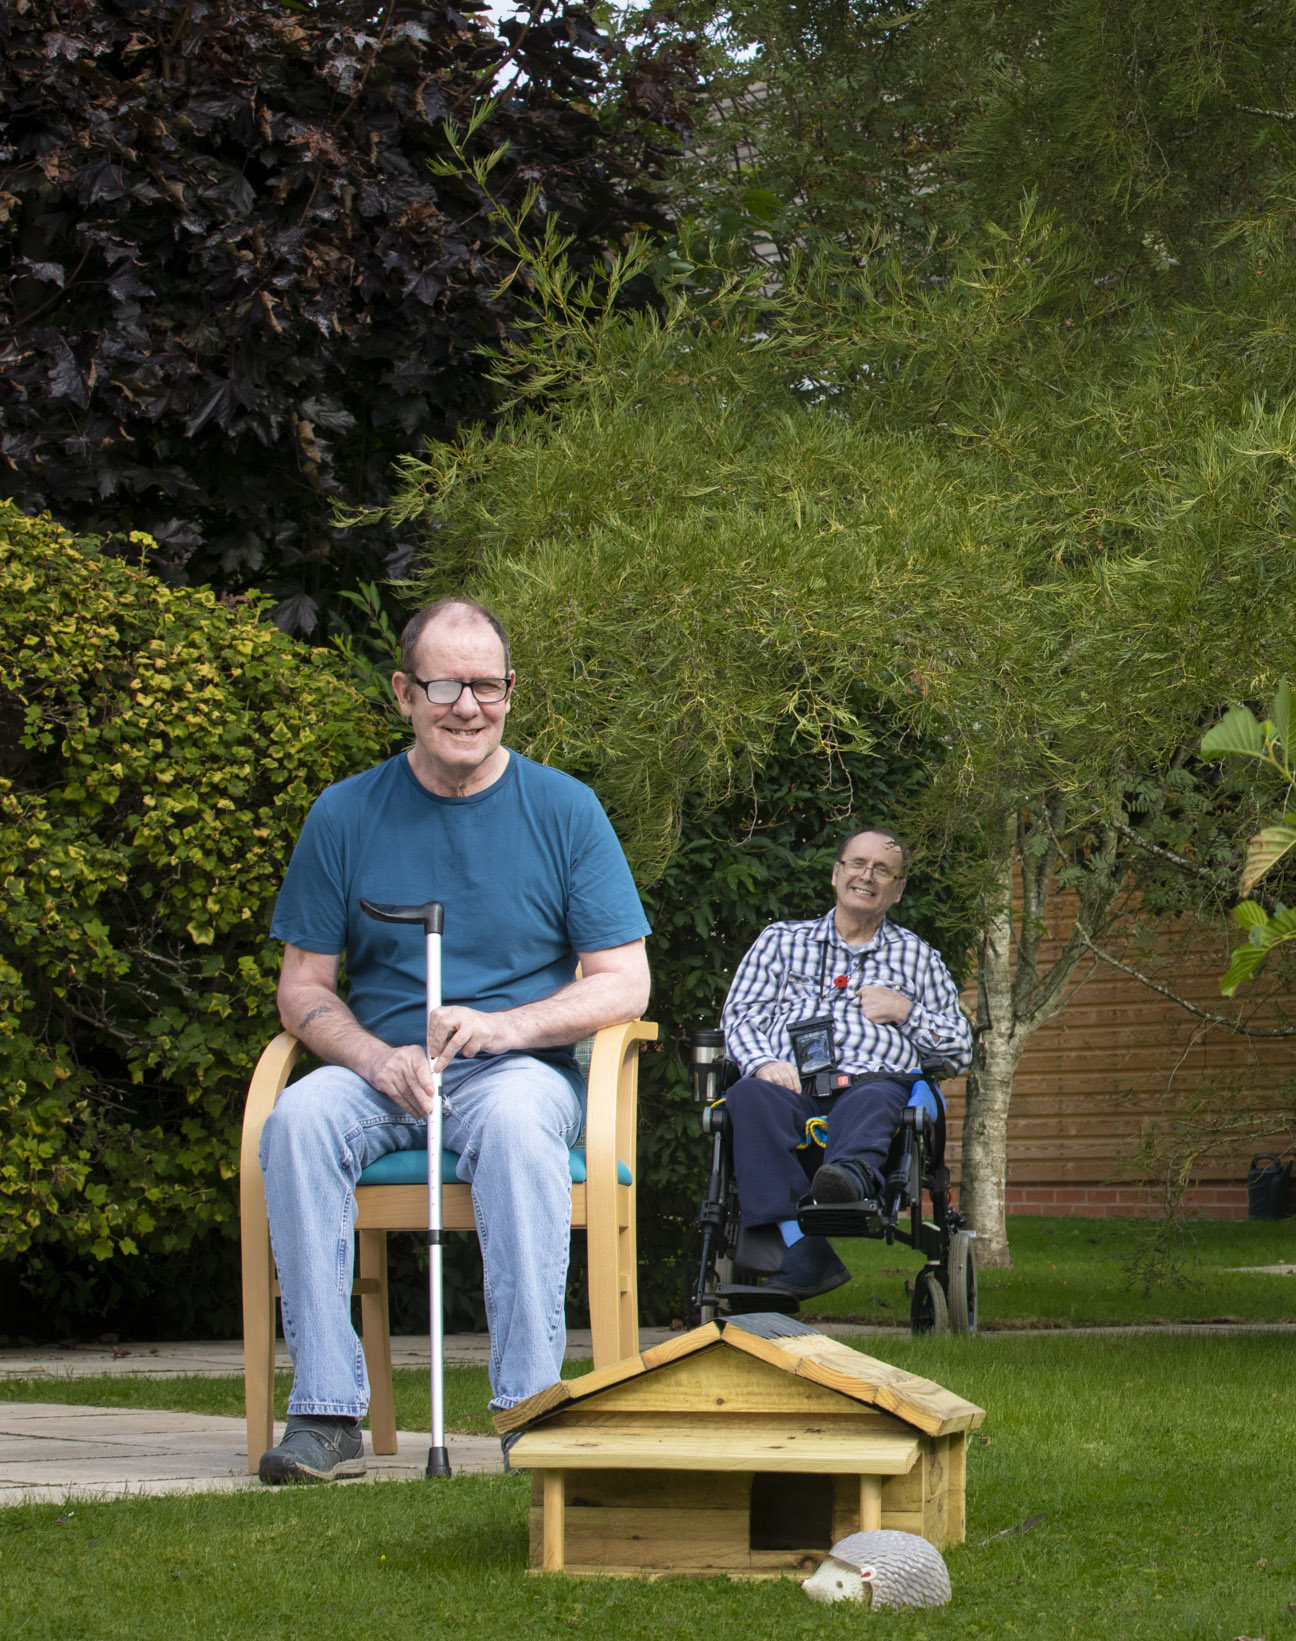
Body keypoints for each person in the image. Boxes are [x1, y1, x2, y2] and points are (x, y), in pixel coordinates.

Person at [257, 599, 652, 1484]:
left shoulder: (565, 809)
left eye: (485, 685)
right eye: (444, 684)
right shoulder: (344, 814)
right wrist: (373, 1057)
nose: (465, 705)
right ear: (404, 692)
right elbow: (304, 988)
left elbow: (625, 981)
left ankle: (529, 1406)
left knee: (516, 1128)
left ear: (510, 692)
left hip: (516, 1069)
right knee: (295, 1121)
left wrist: (505, 1026)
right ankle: (325, 1413)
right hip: (382, 1070)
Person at [718, 828, 973, 1299]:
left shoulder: (918, 957)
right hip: (790, 1086)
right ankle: (805, 1255)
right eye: (857, 863)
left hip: (872, 1085)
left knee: (876, 1094)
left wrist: (904, 1011)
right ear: (836, 874)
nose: (866, 876)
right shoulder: (780, 941)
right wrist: (761, 1062)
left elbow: (960, 1049)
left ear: (896, 890)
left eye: (882, 870)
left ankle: (847, 1180)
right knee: (745, 1095)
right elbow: (741, 1017)